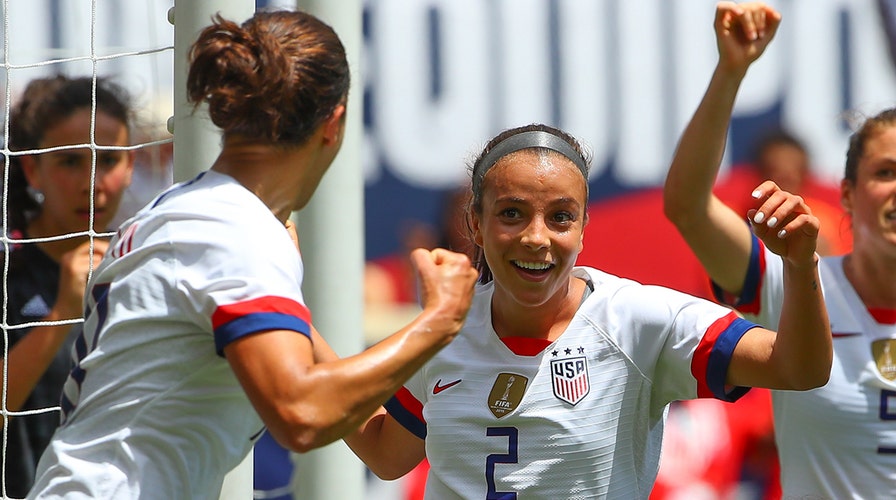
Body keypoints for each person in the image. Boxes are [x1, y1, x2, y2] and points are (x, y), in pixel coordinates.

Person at [27, 9, 478, 499]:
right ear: (335, 123)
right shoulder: (235, 232)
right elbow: (301, 417)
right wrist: (439, 320)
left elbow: (381, 451)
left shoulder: (185, 214)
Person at [343, 122, 832, 498]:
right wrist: (297, 326)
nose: (537, 237)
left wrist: (798, 264)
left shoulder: (638, 320)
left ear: (583, 226)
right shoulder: (443, 331)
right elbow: (388, 456)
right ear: (475, 220)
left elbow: (799, 366)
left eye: (560, 216)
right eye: (511, 213)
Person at [663, 2, 896, 498]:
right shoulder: (794, 283)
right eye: (885, 172)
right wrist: (731, 70)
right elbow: (687, 205)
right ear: (848, 195)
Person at [2, 75, 135, 497]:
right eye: (70, 161)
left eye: (109, 159)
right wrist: (61, 313)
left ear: (132, 165)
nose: (91, 183)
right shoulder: (10, 271)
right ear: (31, 168)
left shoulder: (144, 265)